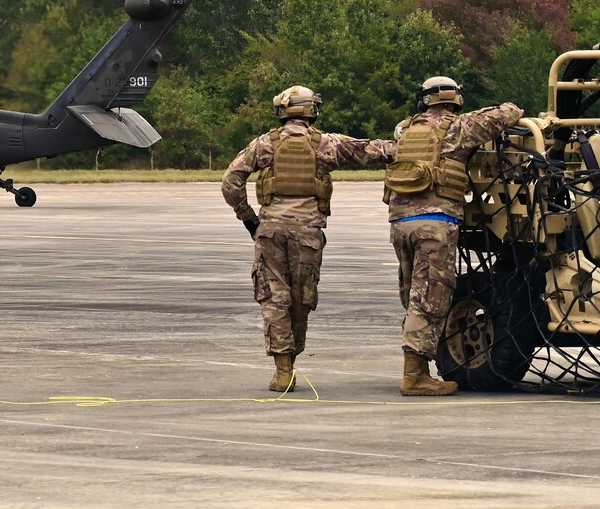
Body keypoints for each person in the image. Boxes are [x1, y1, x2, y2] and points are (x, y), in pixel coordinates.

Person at [221, 86, 393, 392]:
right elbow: (369, 151)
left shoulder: (264, 144)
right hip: (308, 234)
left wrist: (248, 217)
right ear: (312, 111)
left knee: (275, 299)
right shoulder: (326, 143)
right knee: (301, 300)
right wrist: (407, 146)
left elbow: (231, 181)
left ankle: (282, 369)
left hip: (270, 231)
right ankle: (291, 358)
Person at [382, 78, 522, 396]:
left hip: (401, 224)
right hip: (435, 225)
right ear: (455, 101)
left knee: (412, 296)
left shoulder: (404, 130)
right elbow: (508, 113)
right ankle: (415, 376)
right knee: (429, 300)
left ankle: (417, 370)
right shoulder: (459, 127)